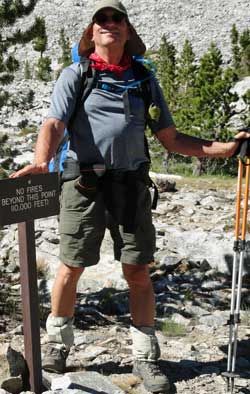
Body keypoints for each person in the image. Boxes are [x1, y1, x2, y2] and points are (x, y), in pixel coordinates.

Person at [11, 0, 250, 392]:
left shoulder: (143, 79)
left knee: (137, 270)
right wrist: (42, 161)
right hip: (83, 186)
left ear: (127, 29)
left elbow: (170, 139)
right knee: (71, 266)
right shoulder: (76, 75)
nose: (109, 24)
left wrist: (225, 148)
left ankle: (145, 356)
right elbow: (53, 122)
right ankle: (56, 343)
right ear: (91, 32)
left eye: (117, 19)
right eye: (101, 19)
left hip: (132, 186)